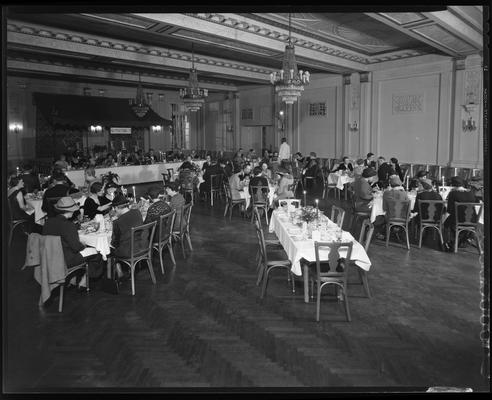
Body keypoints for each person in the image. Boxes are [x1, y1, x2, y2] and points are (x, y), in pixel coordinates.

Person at [42, 197, 103, 285]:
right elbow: (76, 248)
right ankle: (84, 281)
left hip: (50, 257)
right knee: (97, 252)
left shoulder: (48, 222)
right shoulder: (68, 225)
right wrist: (84, 245)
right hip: (66, 260)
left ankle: (72, 280)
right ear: (70, 211)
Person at [443, 176, 478, 251]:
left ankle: (450, 243)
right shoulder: (471, 192)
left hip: (458, 220)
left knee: (446, 224)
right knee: (457, 221)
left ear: (453, 185)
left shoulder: (453, 193)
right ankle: (461, 240)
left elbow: (449, 210)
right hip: (472, 220)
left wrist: (443, 219)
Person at [110, 194, 147, 259]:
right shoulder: (137, 212)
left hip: (128, 252)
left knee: (108, 250)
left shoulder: (117, 222)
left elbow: (115, 243)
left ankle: (118, 267)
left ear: (116, 208)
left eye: (114, 209)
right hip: (143, 246)